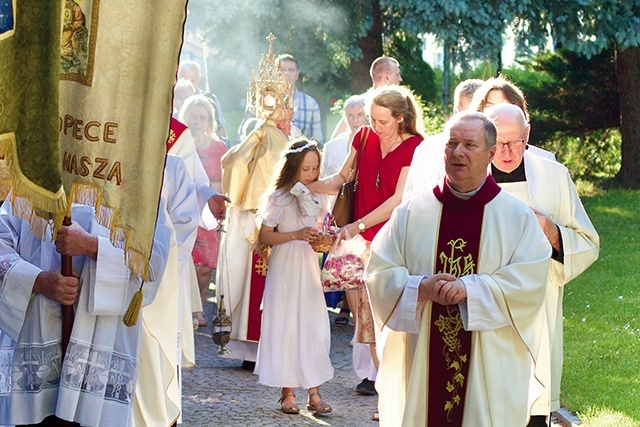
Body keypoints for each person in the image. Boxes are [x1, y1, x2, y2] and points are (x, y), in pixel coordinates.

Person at [365, 111, 552, 426]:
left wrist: (471, 289)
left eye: (469, 145)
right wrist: (420, 288)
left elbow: (530, 280)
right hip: (423, 360)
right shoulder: (412, 212)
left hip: (488, 364)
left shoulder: (516, 217)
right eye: (452, 144)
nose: (457, 152)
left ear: (490, 154)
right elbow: (379, 273)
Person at [0, 197, 171, 426]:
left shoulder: (135, 182)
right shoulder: (35, 179)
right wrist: (39, 281)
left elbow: (152, 261)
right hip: (37, 340)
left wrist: (90, 245)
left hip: (102, 346)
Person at [308, 84, 423, 418]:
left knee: (392, 322)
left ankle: (401, 395)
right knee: (367, 323)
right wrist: (304, 182)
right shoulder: (362, 137)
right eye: (372, 119)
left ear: (401, 119)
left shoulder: (415, 147)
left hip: (393, 244)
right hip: (359, 247)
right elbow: (342, 178)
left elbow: (397, 200)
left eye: (383, 121)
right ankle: (385, 398)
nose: (375, 126)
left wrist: (357, 225)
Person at [485, 103, 599, 424]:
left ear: (528, 134)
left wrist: (552, 233)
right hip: (488, 304)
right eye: (498, 143)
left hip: (539, 306)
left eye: (515, 142)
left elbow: (587, 242)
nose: (506, 153)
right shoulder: (468, 177)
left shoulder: (553, 176)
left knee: (533, 404)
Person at [217, 38, 295, 367]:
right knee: (262, 280)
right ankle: (261, 347)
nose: (290, 113)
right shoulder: (277, 139)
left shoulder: (258, 135)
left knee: (252, 279)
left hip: (250, 217)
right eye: (287, 107)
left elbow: (230, 164)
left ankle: (249, 348)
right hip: (267, 220)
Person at [255, 138, 334, 415]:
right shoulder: (279, 196)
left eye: (315, 169)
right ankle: (287, 393)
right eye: (305, 170)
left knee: (312, 324)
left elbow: (324, 218)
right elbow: (265, 235)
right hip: (285, 266)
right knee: (286, 324)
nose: (311, 175)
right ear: (292, 168)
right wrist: (296, 235)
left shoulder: (319, 195)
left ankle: (314, 392)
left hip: (309, 265)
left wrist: (320, 239)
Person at [133, 154, 199, 427]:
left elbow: (185, 222)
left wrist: (160, 266)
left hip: (159, 281)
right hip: (109, 275)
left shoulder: (171, 165)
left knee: (154, 359)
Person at [179, 95, 229, 329]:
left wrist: (207, 190)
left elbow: (224, 182)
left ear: (210, 121)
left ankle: (198, 305)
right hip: (181, 209)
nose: (197, 122)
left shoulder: (219, 148)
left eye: (202, 117)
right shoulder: (178, 143)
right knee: (185, 261)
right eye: (193, 116)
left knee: (204, 267)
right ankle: (186, 309)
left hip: (206, 211)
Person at [403, 78, 484, 199]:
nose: (470, 121)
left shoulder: (493, 148)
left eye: (477, 114)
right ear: (456, 110)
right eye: (466, 114)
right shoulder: (428, 149)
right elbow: (413, 198)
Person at [469, 75, 556, 161]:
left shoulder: (546, 161)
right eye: (491, 106)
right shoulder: (467, 160)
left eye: (506, 106)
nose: (499, 112)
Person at [329, 56, 403, 140]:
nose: (400, 79)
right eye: (397, 75)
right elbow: (335, 141)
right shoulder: (358, 104)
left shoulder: (398, 104)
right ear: (386, 78)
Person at [275, 54, 323, 144]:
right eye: (282, 70)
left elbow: (318, 142)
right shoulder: (260, 101)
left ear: (297, 75)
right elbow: (244, 137)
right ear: (273, 73)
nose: (287, 74)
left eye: (291, 70)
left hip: (298, 156)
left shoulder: (311, 104)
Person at [178, 60, 228, 141]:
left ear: (199, 79)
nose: (189, 84)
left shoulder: (210, 100)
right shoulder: (172, 100)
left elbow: (221, 130)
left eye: (192, 81)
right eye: (185, 80)